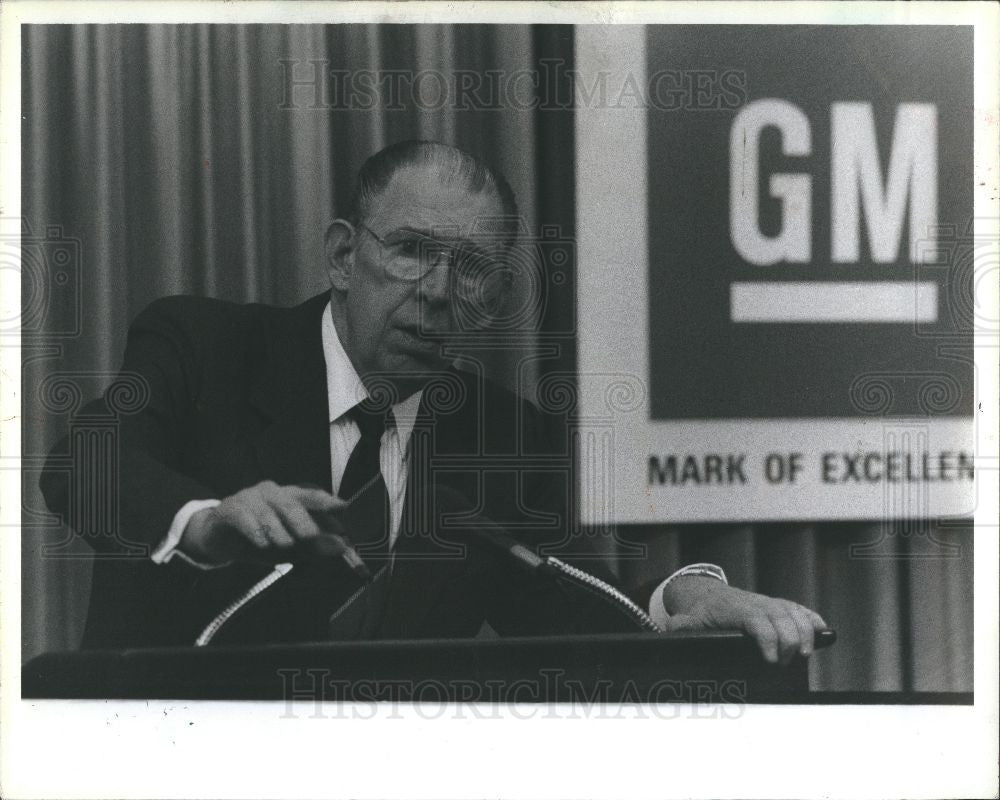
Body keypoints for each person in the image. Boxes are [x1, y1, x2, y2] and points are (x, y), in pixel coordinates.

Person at [40, 140, 825, 662]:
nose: (439, 294)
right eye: (412, 252)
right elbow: (84, 465)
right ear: (345, 255)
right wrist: (205, 523)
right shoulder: (204, 347)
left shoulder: (499, 433)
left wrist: (691, 595)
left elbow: (582, 587)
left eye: (473, 269)